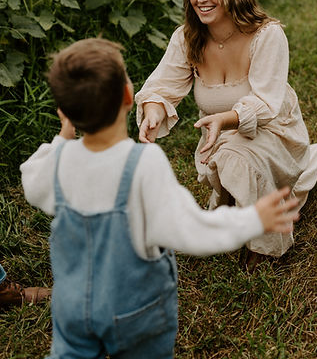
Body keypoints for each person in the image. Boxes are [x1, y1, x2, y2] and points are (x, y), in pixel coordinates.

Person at [20, 38, 299, 359]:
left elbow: (31, 178)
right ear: (128, 97)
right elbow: (192, 231)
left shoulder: (57, 165)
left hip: (72, 305)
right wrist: (253, 219)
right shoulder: (143, 165)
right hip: (135, 310)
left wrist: (63, 136)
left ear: (64, 111)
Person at [136, 0, 317, 269]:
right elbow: (161, 86)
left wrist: (225, 118)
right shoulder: (187, 38)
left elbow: (265, 103)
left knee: (235, 156)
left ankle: (267, 243)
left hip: (273, 132)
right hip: (219, 138)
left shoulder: (267, 35)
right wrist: (154, 110)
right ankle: (242, 201)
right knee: (229, 156)